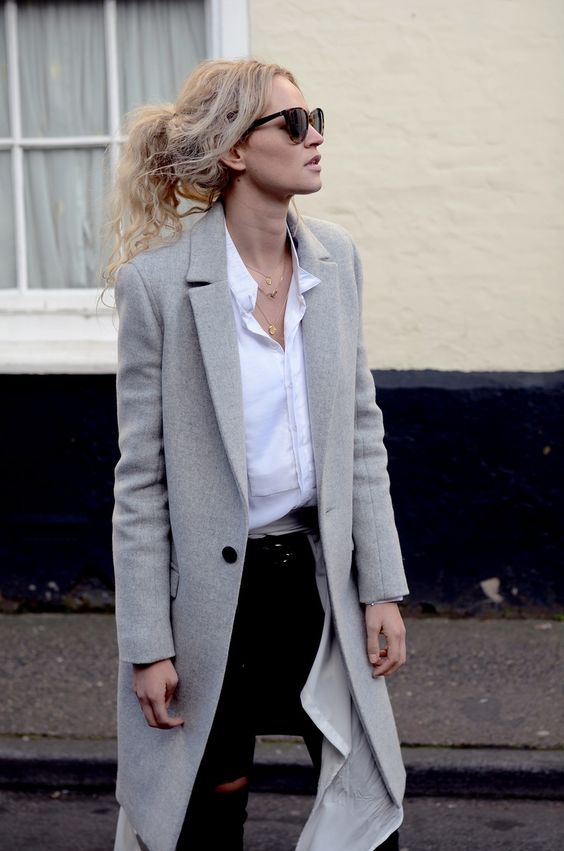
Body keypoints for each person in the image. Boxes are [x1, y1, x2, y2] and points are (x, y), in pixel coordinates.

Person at [105, 58, 409, 851]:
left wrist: (381, 586)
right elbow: (141, 483)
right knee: (207, 815)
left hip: (317, 579)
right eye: (293, 123)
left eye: (316, 119)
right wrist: (147, 642)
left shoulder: (337, 261)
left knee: (369, 801)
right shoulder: (158, 288)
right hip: (212, 598)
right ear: (236, 150)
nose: (315, 137)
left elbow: (361, 432)